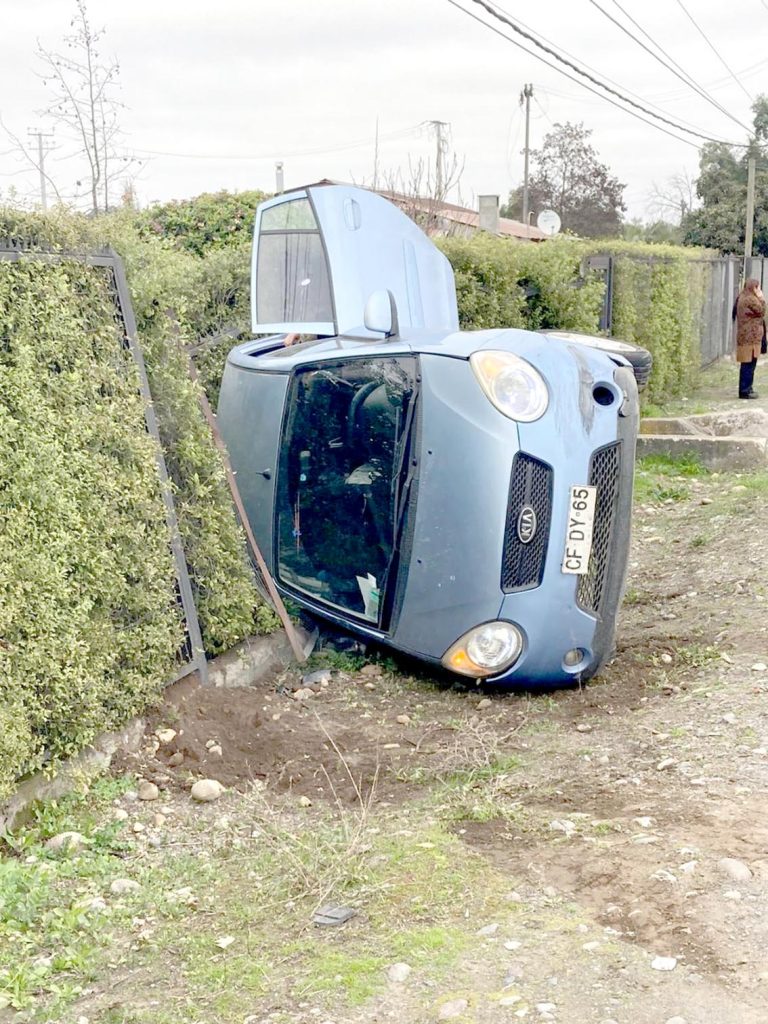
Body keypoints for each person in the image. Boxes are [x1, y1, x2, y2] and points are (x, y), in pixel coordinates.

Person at [734, 278, 766, 399]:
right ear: (753, 288)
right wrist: (761, 297)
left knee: (748, 364)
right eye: (757, 287)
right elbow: (762, 311)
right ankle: (745, 390)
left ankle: (747, 388)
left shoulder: (742, 297)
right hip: (750, 337)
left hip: (746, 336)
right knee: (749, 364)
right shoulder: (750, 299)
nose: (759, 290)